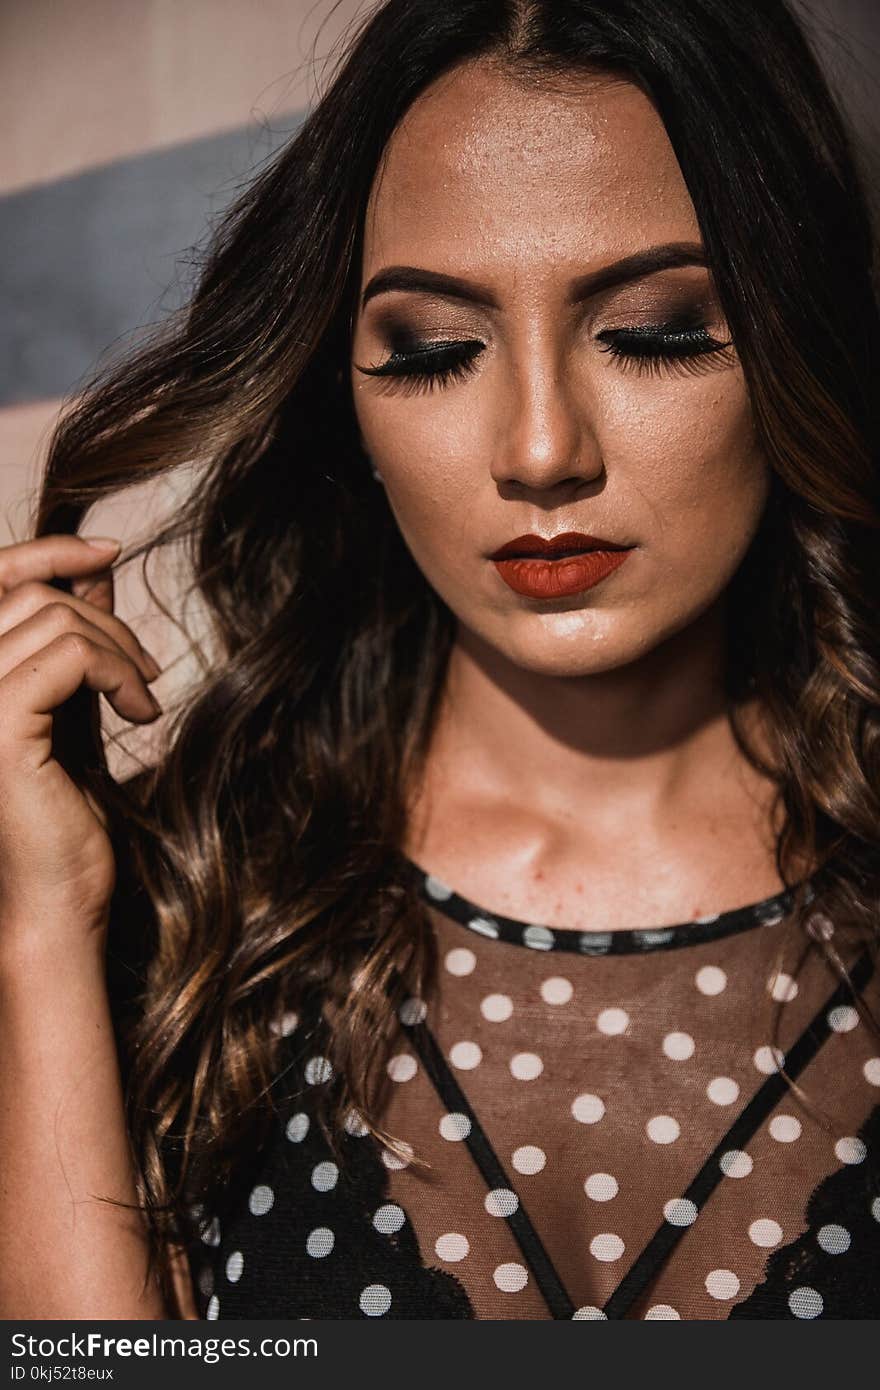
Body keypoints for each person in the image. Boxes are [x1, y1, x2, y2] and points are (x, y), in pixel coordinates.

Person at [1, 0, 879, 1322]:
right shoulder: (200, 893)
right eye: (434, 349)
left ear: (791, 339)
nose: (541, 449)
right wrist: (42, 932)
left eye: (652, 329)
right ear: (341, 393)